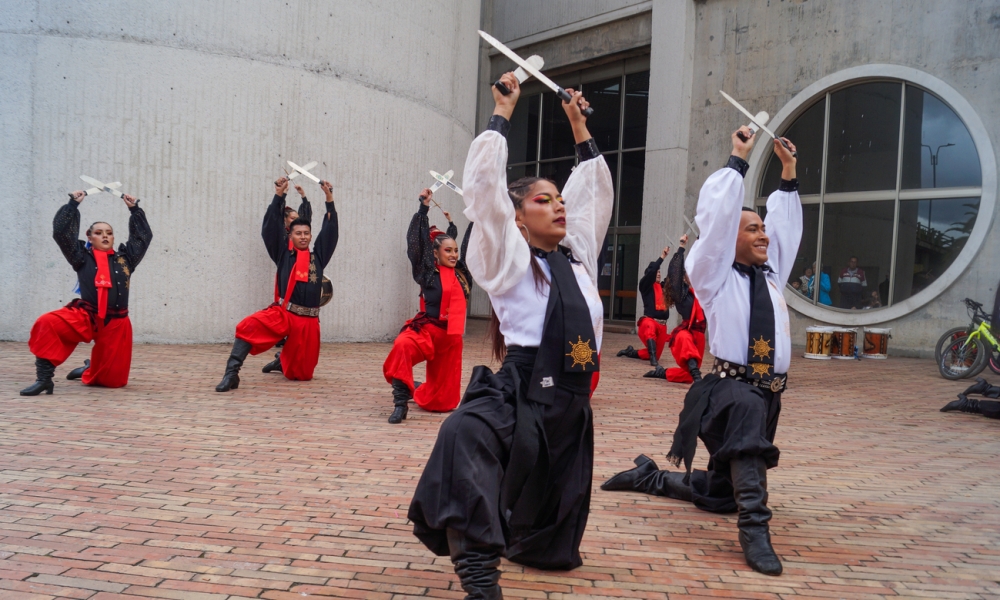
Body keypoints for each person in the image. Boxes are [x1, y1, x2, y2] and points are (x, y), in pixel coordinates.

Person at [407, 72, 611, 599]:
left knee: (551, 551)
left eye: (557, 198)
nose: (559, 205)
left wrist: (577, 124)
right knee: (463, 437)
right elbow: (484, 193)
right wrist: (503, 112)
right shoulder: (508, 259)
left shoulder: (578, 256)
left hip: (573, 404)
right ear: (517, 220)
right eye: (543, 201)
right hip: (523, 390)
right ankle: (479, 578)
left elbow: (593, 192)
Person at [601, 126, 800, 576]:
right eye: (751, 229)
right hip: (732, 392)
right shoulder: (714, 276)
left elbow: (786, 232)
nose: (763, 235)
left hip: (770, 393)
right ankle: (755, 531)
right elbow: (715, 224)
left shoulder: (771, 276)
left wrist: (788, 174)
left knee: (719, 495)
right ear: (729, 238)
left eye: (763, 228)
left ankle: (653, 478)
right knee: (748, 454)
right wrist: (739, 160)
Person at [20, 190, 153, 395]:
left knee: (112, 382)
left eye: (108, 232)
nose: (105, 236)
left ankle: (89, 368)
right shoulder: (80, 256)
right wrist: (72, 205)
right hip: (87, 316)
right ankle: (44, 379)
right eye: (99, 232)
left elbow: (143, 238)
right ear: (89, 236)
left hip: (116, 322)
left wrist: (134, 210)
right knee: (47, 323)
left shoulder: (125, 259)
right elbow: (62, 233)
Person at [214, 177, 339, 391]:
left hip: (308, 322)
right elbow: (270, 228)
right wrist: (279, 195)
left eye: (306, 234)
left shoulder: (318, 257)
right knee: (248, 326)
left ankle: (282, 360)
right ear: (290, 235)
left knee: (301, 375)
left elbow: (330, 231)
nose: (303, 237)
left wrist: (329, 198)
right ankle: (231, 373)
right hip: (284, 314)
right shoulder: (283, 254)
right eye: (298, 233)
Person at [382, 191, 473, 424]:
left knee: (440, 404)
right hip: (428, 331)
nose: (453, 254)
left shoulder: (463, 273)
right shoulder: (427, 273)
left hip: (451, 338)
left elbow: (473, 246)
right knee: (402, 346)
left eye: (455, 251)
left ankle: (418, 389)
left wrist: (476, 217)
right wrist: (423, 208)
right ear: (435, 253)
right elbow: (416, 245)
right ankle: (400, 404)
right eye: (447, 251)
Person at [261, 183, 314, 374]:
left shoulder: (302, 242)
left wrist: (304, 197)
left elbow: (306, 220)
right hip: (288, 281)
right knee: (286, 317)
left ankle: (283, 358)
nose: (297, 222)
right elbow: (271, 223)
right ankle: (281, 358)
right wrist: (280, 195)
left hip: (303, 282)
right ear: (287, 226)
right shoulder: (284, 242)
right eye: (292, 219)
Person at [643, 234, 707, 384]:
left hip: (699, 335)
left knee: (688, 376)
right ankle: (697, 377)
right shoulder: (681, 294)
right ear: (683, 278)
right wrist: (682, 247)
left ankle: (663, 372)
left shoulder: (700, 292)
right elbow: (675, 271)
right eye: (688, 274)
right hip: (686, 332)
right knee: (684, 340)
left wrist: (701, 242)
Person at [616, 245, 672, 367]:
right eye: (656, 272)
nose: (658, 274)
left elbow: (673, 277)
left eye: (659, 272)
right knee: (649, 326)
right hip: (649, 322)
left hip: (662, 325)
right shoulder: (645, 286)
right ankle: (653, 360)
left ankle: (631, 352)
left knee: (656, 354)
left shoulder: (663, 287)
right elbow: (651, 271)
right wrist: (662, 257)